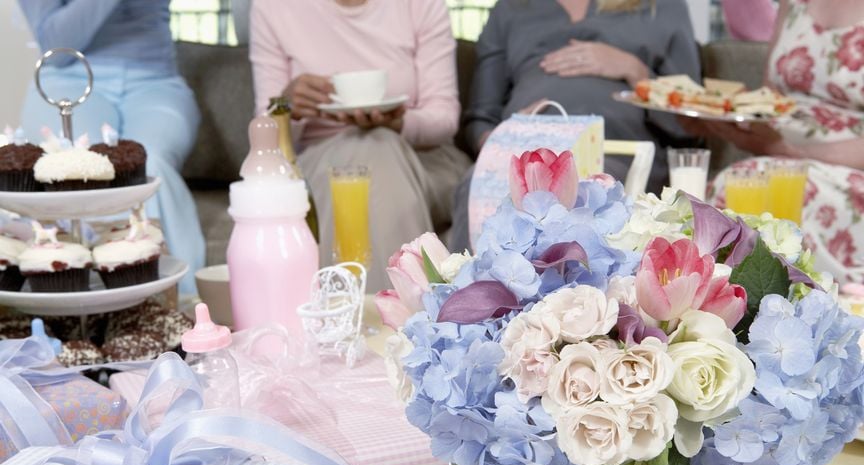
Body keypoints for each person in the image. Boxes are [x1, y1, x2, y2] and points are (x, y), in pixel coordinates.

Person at [249, 0, 472, 292]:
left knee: (378, 147)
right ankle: (413, 322)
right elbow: (266, 139)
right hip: (320, 156)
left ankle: (343, 320)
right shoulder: (272, 7)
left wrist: (398, 124)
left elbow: (444, 118)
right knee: (367, 157)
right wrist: (286, 105)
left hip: (423, 157)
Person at [450, 0, 702, 252]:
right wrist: (501, 141)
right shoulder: (510, 8)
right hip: (527, 152)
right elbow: (482, 116)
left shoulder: (662, 6)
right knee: (476, 182)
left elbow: (692, 119)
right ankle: (467, 288)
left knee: (593, 189)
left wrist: (634, 70)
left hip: (613, 150)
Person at [17, 0, 205, 295]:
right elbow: (56, 44)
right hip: (66, 78)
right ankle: (91, 306)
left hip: (156, 81)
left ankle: (183, 300)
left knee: (151, 162)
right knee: (85, 167)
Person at [699, 0, 864, 283]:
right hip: (775, 158)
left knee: (741, 186)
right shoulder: (794, 3)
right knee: (733, 187)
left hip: (847, 168)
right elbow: (770, 101)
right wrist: (728, 121)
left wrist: (792, 151)